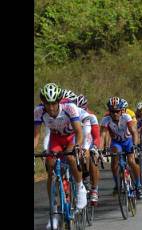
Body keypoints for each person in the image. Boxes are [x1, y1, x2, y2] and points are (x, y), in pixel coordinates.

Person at [34, 83, 87, 229]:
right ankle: (54, 212)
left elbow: (78, 131)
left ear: (59, 101)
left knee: (70, 158)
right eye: (47, 104)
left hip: (71, 137)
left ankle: (80, 186)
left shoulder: (69, 107)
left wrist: (77, 146)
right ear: (43, 103)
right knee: (50, 167)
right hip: (56, 139)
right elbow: (36, 136)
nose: (51, 108)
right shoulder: (38, 111)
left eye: (54, 104)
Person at [100, 97, 142, 199]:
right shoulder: (106, 120)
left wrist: (135, 145)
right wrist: (100, 150)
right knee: (114, 162)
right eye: (112, 111)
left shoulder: (126, 117)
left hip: (128, 141)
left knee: (132, 161)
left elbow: (134, 132)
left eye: (117, 111)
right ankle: (117, 184)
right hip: (116, 143)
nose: (115, 114)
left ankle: (138, 185)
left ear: (121, 111)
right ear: (109, 111)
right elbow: (102, 136)